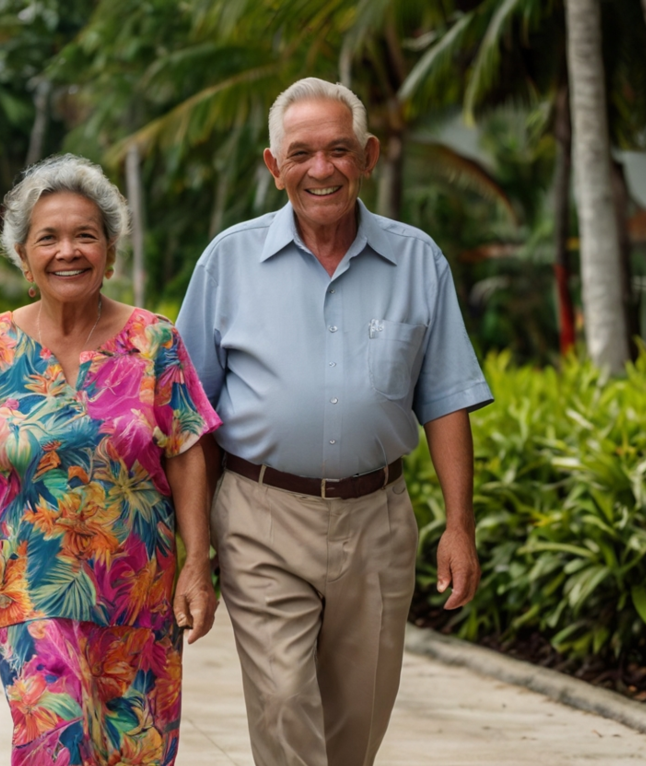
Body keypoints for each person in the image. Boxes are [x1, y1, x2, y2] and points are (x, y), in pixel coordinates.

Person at [175, 78, 494, 766]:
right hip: (260, 515)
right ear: (273, 165)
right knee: (285, 700)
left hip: (377, 520)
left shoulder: (418, 260)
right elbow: (188, 420)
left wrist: (460, 526)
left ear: (369, 156)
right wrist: (195, 555)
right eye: (302, 153)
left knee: (357, 723)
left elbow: (445, 401)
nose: (321, 169)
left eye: (339, 150)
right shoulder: (226, 262)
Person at [0, 154, 221, 766]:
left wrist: (198, 564)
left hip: (138, 597)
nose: (68, 251)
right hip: (28, 592)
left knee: (133, 753)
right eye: (49, 238)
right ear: (25, 258)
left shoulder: (154, 341)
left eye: (86, 235)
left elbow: (190, 451)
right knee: (53, 744)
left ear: (109, 253)